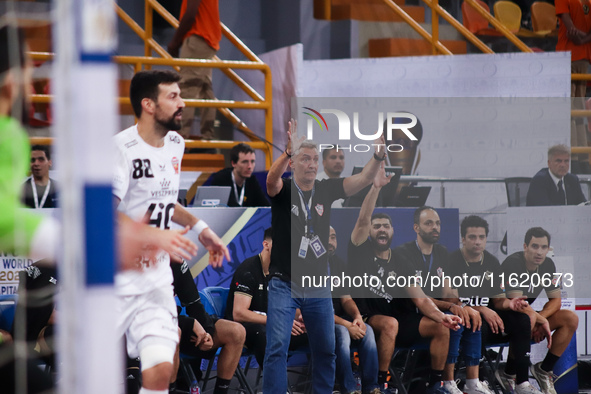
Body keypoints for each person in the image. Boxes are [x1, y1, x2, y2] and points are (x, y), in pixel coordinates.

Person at [113, 69, 230, 394]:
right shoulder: (121, 148)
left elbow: (164, 201)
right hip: (117, 277)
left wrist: (200, 228)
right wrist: (154, 235)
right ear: (148, 104)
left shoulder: (176, 143)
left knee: (163, 366)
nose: (183, 103)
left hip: (156, 279)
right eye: (173, 96)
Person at [263, 119, 386, 392]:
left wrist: (377, 156)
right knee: (276, 350)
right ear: (294, 163)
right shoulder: (284, 191)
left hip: (318, 286)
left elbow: (364, 179)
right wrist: (286, 153)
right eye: (305, 158)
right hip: (285, 284)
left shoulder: (326, 189)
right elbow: (270, 181)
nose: (311, 164)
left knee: (326, 351)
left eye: (315, 159)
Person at [350, 169, 461, 394]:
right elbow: (363, 218)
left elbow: (420, 299)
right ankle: (381, 384)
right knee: (390, 323)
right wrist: (376, 187)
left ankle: (435, 385)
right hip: (368, 318)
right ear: (369, 232)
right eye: (377, 226)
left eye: (385, 226)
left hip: (402, 320)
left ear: (393, 231)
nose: (381, 229)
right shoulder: (360, 252)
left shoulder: (400, 259)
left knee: (441, 327)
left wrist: (443, 316)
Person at [393, 206, 490, 394]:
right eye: (428, 223)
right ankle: (445, 383)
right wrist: (451, 307)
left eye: (437, 223)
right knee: (449, 323)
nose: (435, 227)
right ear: (416, 228)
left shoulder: (442, 252)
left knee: (469, 318)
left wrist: (464, 306)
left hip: (435, 311)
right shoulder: (403, 253)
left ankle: (472, 382)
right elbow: (420, 298)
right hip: (409, 315)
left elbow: (448, 291)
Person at [447, 216, 539, 394]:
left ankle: (521, 383)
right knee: (475, 319)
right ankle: (478, 381)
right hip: (465, 318)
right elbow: (451, 302)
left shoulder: (492, 262)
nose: (477, 242)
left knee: (522, 320)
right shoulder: (452, 261)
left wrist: (510, 304)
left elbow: (498, 301)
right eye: (472, 237)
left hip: (491, 318)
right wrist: (481, 309)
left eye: (481, 237)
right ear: (463, 239)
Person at [501, 227, 578, 394]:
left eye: (544, 247)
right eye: (535, 246)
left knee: (570, 318)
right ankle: (508, 373)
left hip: (528, 317)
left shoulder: (548, 264)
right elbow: (519, 304)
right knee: (524, 321)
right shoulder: (513, 262)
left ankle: (544, 370)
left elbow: (556, 301)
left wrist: (540, 318)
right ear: (525, 247)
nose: (539, 252)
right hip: (505, 319)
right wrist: (537, 320)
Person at [225, 227, 307, 368]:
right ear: (266, 245)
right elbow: (239, 313)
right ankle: (277, 386)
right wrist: (277, 321)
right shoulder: (248, 269)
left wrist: (303, 318)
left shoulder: (284, 272)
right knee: (265, 335)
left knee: (320, 332)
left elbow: (293, 307)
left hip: (275, 324)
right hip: (247, 327)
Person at [171, 260, 246, 394]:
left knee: (236, 331)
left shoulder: (176, 262)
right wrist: (189, 323)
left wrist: (208, 333)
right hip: (148, 327)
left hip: (178, 322)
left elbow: (194, 304)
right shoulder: (133, 261)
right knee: (173, 332)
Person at [329, 226, 380, 394]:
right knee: (342, 333)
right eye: (326, 237)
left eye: (334, 237)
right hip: (318, 322)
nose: (331, 242)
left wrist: (357, 317)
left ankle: (371, 387)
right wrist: (346, 324)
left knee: (368, 330)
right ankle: (349, 389)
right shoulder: (310, 266)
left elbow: (346, 299)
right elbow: (318, 309)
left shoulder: (338, 264)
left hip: (341, 322)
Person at [167, 0, 220, 140]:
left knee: (187, 89)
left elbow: (190, 14)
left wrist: (174, 42)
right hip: (208, 41)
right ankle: (207, 139)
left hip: (197, 39)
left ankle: (180, 137)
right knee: (205, 89)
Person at [555, 0, 591, 173]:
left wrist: (581, 36)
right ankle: (581, 158)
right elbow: (574, 32)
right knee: (578, 108)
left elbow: (571, 31)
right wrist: (585, 37)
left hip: (567, 56)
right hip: (582, 57)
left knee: (570, 109)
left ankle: (575, 159)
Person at [209, 143, 269, 207]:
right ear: (233, 163)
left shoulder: (252, 180)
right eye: (245, 162)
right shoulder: (221, 179)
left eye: (252, 161)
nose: (249, 166)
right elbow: (230, 208)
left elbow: (266, 206)